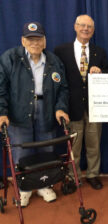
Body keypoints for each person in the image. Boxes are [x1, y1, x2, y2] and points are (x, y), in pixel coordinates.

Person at [0, 22, 69, 207]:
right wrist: (2, 112)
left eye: (38, 39)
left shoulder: (54, 61)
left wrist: (60, 108)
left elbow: (63, 88)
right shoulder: (10, 58)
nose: (35, 43)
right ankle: (24, 189)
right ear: (23, 40)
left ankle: (44, 185)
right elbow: (1, 88)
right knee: (21, 152)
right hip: (18, 112)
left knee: (46, 150)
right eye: (30, 39)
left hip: (46, 110)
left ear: (45, 41)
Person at [54, 15, 108, 190]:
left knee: (94, 145)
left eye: (89, 27)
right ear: (75, 27)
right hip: (72, 108)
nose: (86, 29)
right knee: (74, 148)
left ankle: (93, 174)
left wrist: (100, 71)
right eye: (82, 25)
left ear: (93, 30)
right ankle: (73, 177)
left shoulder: (99, 52)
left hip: (95, 108)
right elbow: (58, 80)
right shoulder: (61, 51)